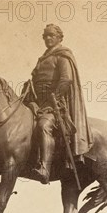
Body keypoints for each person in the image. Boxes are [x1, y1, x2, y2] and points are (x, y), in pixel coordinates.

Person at [27, 24, 93, 184]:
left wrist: (52, 101)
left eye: (51, 35)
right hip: (39, 104)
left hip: (57, 106)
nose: (48, 38)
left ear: (59, 37)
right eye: (45, 36)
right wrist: (31, 101)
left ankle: (44, 167)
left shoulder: (62, 56)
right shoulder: (42, 59)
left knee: (43, 126)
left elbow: (66, 80)